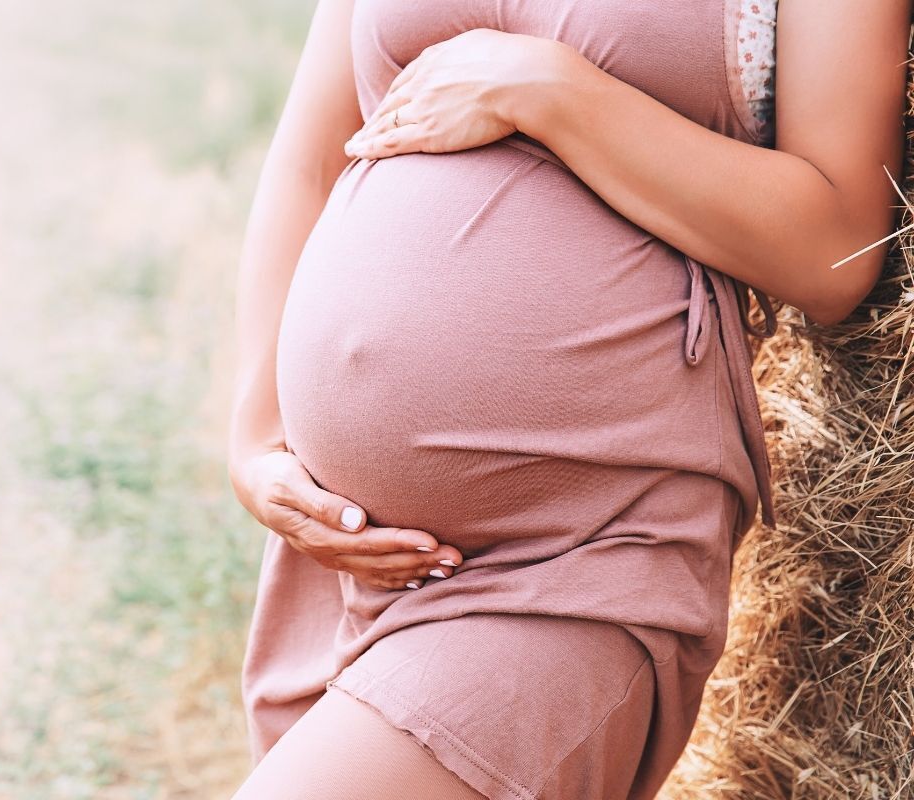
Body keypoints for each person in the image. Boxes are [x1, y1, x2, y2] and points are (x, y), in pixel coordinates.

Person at [226, 1, 909, 798]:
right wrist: (258, 438)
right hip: (342, 558)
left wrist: (552, 91)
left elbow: (836, 251)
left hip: (575, 551)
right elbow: (311, 159)